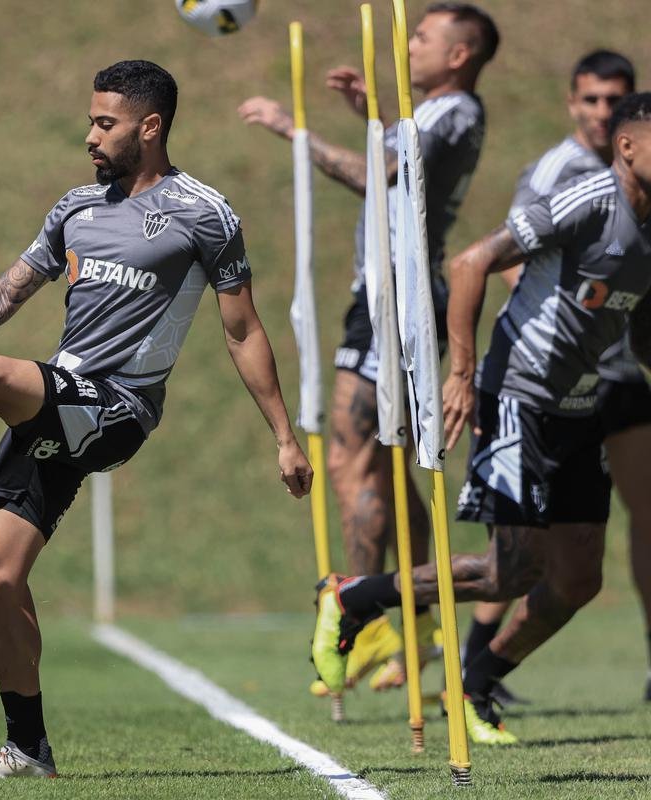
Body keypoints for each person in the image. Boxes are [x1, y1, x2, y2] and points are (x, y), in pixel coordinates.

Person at [0, 60, 314, 780]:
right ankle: (27, 749)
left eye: (104, 122)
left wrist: (284, 438)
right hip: (60, 399)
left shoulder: (206, 213)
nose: (90, 135)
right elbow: (9, 293)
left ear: (151, 126)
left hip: (120, 408)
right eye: (91, 120)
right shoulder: (75, 206)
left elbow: (241, 330)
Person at [310, 92, 651, 744]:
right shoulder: (590, 200)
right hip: (518, 394)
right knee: (510, 571)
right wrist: (462, 374)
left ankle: (476, 684)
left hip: (582, 408)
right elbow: (471, 262)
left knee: (578, 580)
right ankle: (352, 597)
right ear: (627, 147)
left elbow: (640, 324)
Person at [238, 2, 499, 691]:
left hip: (398, 301)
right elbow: (401, 162)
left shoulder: (457, 113)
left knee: (357, 458)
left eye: (423, 37)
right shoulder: (441, 115)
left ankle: (364, 618)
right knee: (385, 465)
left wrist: (296, 133)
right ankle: (413, 618)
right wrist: (372, 115)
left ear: (461, 55)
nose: (410, 45)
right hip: (390, 296)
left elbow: (381, 176)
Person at [462, 50, 651, 706]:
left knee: (619, 532)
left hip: (613, 373)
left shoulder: (644, 196)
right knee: (516, 557)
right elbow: (511, 262)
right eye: (591, 100)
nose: (601, 112)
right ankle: (470, 658)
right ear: (574, 102)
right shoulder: (563, 175)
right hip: (540, 373)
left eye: (613, 99)